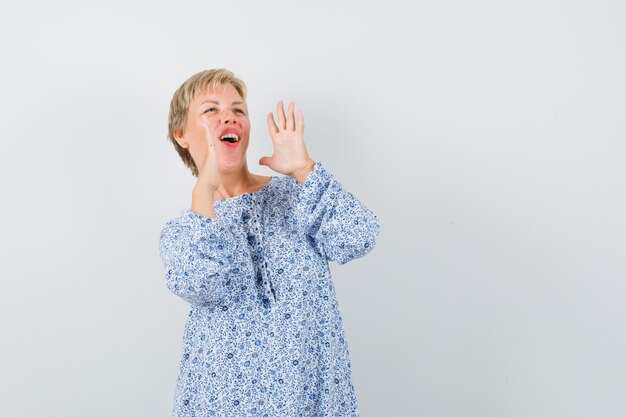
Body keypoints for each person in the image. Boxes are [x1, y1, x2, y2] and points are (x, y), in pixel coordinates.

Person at [159, 68, 380, 416]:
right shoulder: (185, 230)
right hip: (223, 403)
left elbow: (359, 237)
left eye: (238, 109)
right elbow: (200, 285)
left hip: (310, 399)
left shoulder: (296, 197)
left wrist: (304, 168)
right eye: (211, 110)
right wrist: (204, 189)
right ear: (182, 134)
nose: (228, 117)